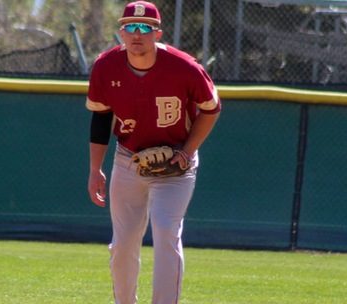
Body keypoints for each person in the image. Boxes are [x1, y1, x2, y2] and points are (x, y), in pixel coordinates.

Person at [86, 1, 221, 303]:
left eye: (145, 28)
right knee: (123, 244)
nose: (137, 34)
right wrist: (95, 169)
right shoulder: (106, 66)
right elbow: (101, 118)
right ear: (121, 31)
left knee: (165, 230)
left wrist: (187, 151)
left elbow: (211, 109)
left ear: (158, 33)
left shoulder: (184, 67)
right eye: (130, 27)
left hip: (176, 163)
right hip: (128, 159)